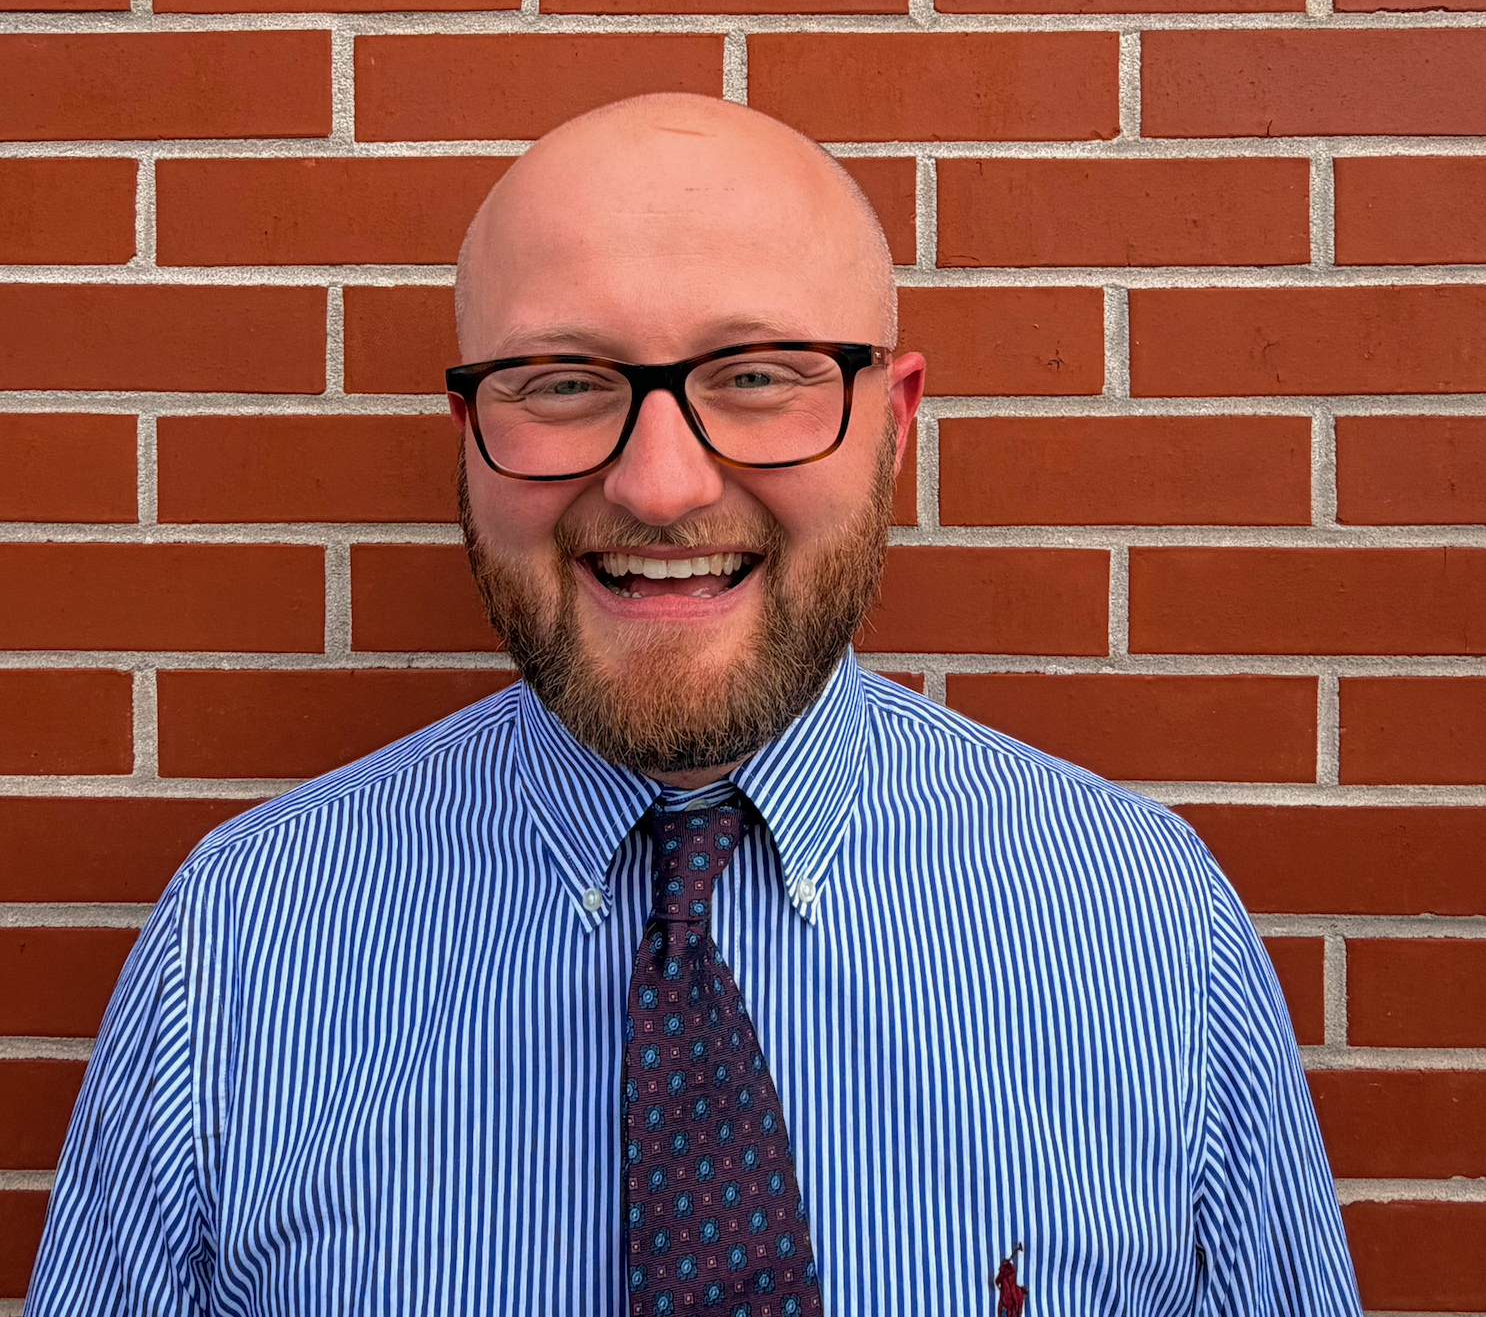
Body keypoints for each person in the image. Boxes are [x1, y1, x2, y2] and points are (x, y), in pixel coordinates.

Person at [26, 93, 1362, 1316]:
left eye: (758, 374)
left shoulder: (1147, 926)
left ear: (894, 421)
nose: (660, 484)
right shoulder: (240, 945)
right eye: (563, 383)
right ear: (470, 438)